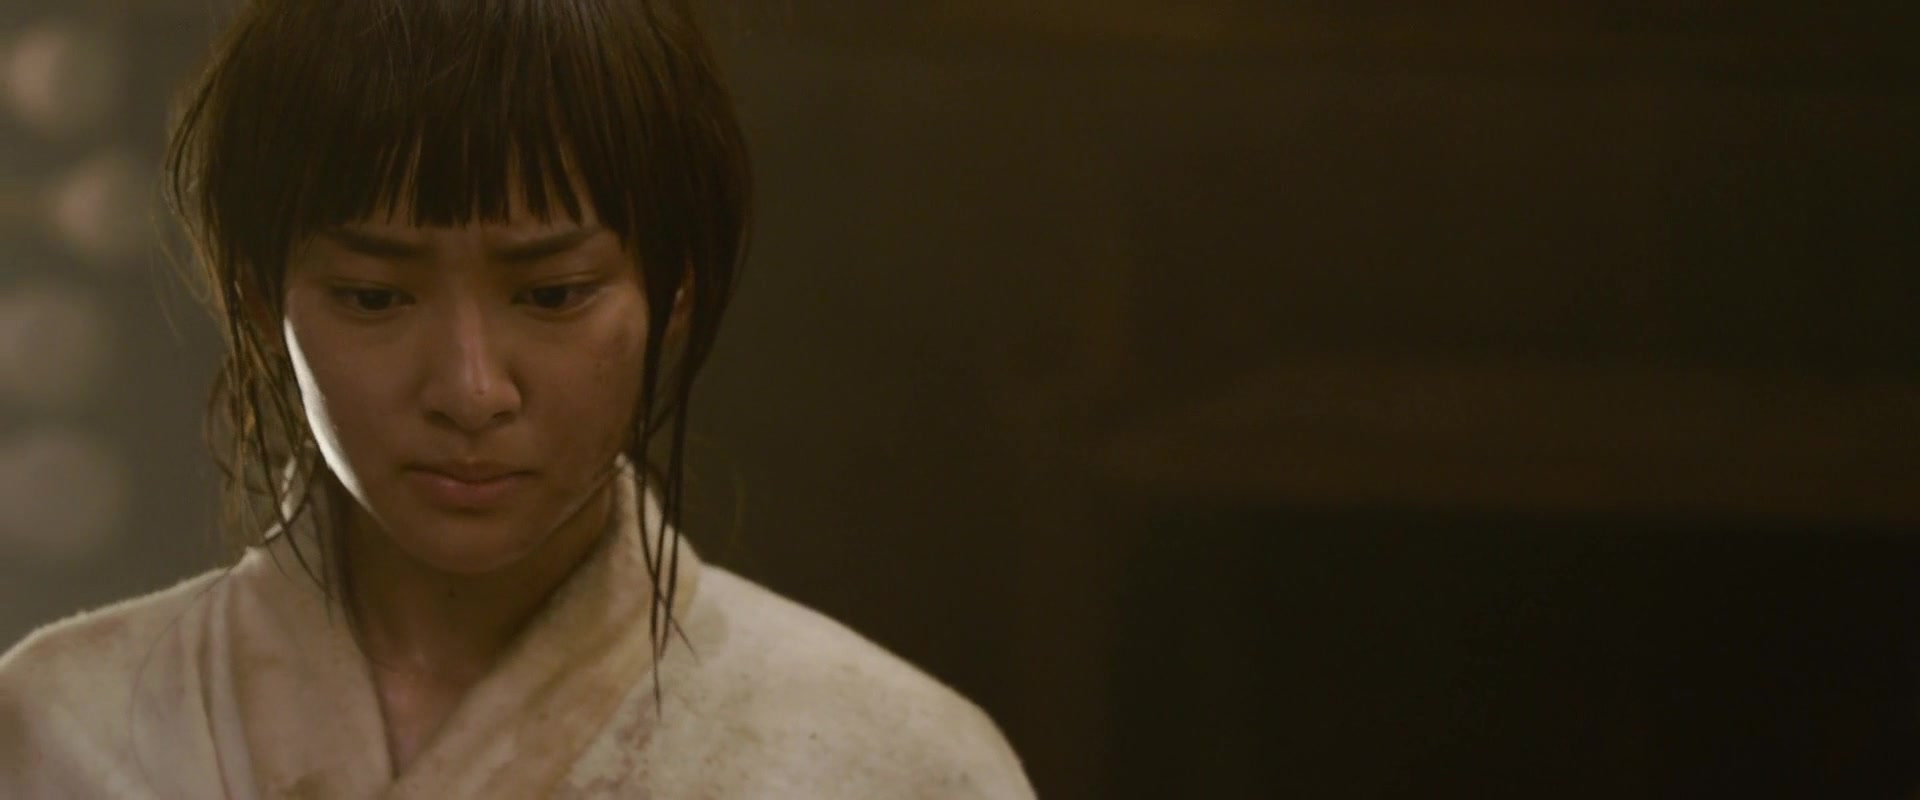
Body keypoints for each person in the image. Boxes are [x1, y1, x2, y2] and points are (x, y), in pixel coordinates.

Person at [0, 1, 1034, 796]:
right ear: (261, 300)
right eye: (374, 296)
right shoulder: (58, 729)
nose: (470, 390)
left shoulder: (889, 760)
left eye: (553, 294)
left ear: (673, 291)